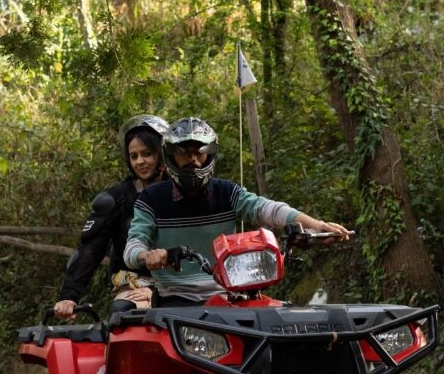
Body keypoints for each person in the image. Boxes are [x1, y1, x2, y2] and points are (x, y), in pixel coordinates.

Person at [124, 117, 351, 305]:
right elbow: (133, 246)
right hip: (174, 298)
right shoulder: (151, 199)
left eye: (199, 152)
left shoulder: (226, 191)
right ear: (171, 156)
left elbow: (267, 209)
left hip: (230, 293)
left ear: (209, 154)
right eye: (184, 152)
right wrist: (148, 255)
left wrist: (316, 226)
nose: (192, 159)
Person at [53, 115, 169, 319]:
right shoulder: (117, 199)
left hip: (181, 286)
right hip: (134, 286)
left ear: (162, 154)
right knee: (125, 316)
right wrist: (69, 296)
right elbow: (90, 249)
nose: (140, 161)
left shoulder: (181, 193)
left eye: (147, 154)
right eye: (134, 156)